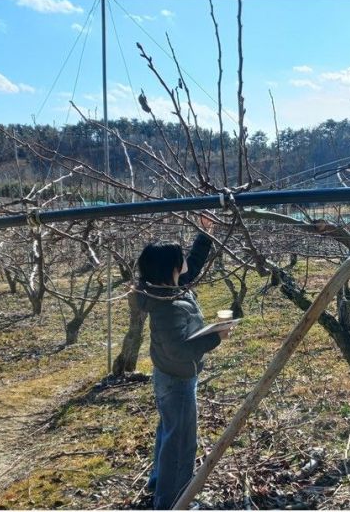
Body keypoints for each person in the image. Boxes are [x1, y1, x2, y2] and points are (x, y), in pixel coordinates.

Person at [136, 217, 230, 509]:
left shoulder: (165, 288)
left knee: (169, 431)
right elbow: (178, 350)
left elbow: (195, 264)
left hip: (169, 376)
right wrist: (216, 338)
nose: (185, 264)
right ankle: (173, 502)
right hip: (177, 380)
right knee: (181, 445)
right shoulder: (168, 305)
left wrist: (206, 233)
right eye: (180, 261)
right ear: (172, 269)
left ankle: (157, 482)